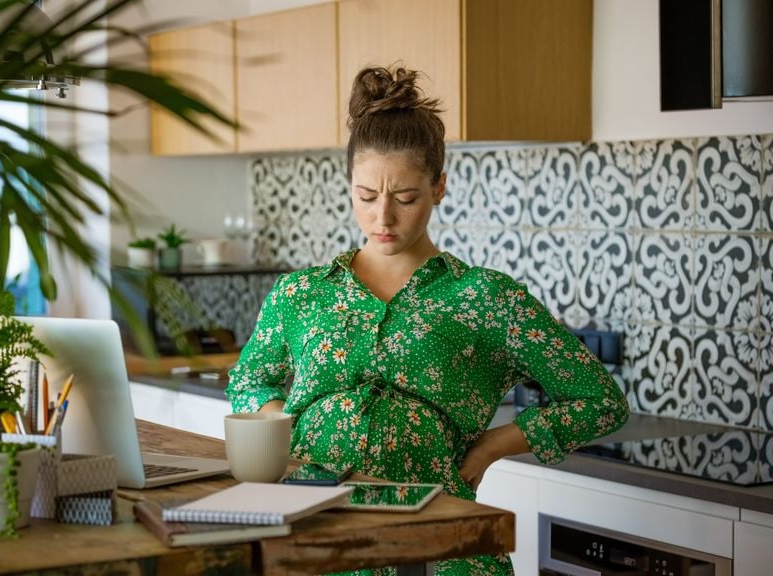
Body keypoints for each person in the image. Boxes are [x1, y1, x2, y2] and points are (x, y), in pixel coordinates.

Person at [226, 65, 630, 575]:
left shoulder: (486, 297)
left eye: (405, 198)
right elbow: (248, 379)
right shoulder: (300, 292)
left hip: (442, 544)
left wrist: (491, 446)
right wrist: (277, 427)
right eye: (366, 197)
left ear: (438, 187)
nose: (382, 219)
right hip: (316, 539)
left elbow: (601, 403)